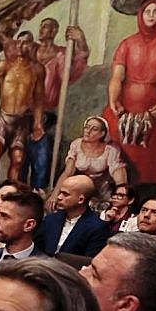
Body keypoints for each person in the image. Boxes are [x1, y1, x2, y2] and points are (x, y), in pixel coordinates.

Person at [105, 0, 156, 188]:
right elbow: (117, 77)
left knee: (155, 147)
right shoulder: (127, 44)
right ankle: (120, 183)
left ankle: (149, 190)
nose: (151, 16)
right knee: (118, 138)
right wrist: (114, 99)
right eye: (148, 11)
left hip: (153, 102)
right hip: (127, 102)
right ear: (140, 14)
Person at [0, 28, 43, 187]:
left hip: (21, 120)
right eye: (18, 42)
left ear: (32, 45)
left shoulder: (37, 69)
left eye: (25, 42)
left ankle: (9, 196)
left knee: (18, 160)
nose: (21, 46)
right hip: (4, 118)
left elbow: (39, 98)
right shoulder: (5, 65)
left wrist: (38, 123)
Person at [28, 19, 89, 187]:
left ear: (54, 31)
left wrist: (80, 40)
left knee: (42, 145)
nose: (42, 29)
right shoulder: (30, 49)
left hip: (46, 110)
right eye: (41, 25)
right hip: (23, 109)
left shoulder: (61, 54)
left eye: (46, 26)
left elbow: (71, 70)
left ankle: (38, 188)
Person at [38, 174, 112, 257]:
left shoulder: (97, 227)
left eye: (65, 194)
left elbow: (88, 261)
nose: (59, 197)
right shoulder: (51, 219)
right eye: (60, 192)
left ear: (81, 199)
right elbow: (37, 249)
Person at [61, 115, 127, 199]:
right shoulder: (76, 144)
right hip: (80, 188)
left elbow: (119, 175)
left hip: (102, 189)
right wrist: (54, 194)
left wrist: (121, 195)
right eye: (87, 127)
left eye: (94, 129)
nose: (88, 131)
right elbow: (68, 172)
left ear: (102, 134)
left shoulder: (111, 149)